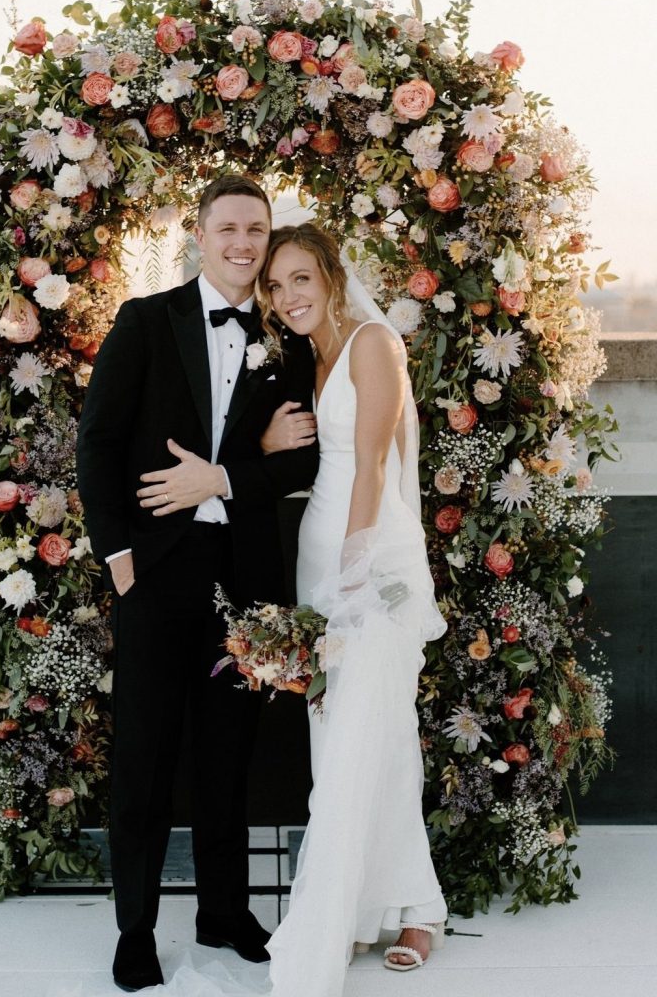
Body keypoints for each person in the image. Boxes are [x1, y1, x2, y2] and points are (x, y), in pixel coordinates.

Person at [76, 176, 319, 993]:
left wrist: (221, 478)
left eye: (257, 228)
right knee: (143, 753)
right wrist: (119, 559)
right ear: (199, 232)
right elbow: (98, 444)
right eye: (228, 228)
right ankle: (136, 928)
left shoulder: (290, 342)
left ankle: (224, 911)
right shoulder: (147, 322)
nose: (244, 244)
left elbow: (308, 459)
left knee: (229, 754)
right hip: (155, 574)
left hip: (245, 577)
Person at [255, 223, 449, 994]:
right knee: (340, 731)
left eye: (300, 278)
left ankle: (391, 911)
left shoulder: (373, 342)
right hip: (319, 551)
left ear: (332, 276)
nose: (287, 296)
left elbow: (371, 461)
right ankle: (398, 905)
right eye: (275, 286)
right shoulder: (312, 355)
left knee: (377, 726)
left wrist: (357, 570)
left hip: (372, 556)